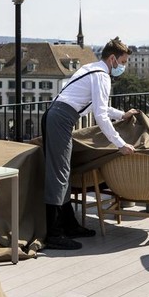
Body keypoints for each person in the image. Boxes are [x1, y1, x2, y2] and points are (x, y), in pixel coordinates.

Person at [42, 37, 138, 250]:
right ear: (112, 59)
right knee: (59, 175)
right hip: (60, 119)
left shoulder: (93, 69)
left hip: (58, 116)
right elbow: (101, 116)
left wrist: (122, 115)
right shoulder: (102, 76)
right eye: (122, 62)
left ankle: (69, 225)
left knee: (63, 174)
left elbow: (99, 107)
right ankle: (54, 234)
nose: (123, 67)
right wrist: (120, 144)